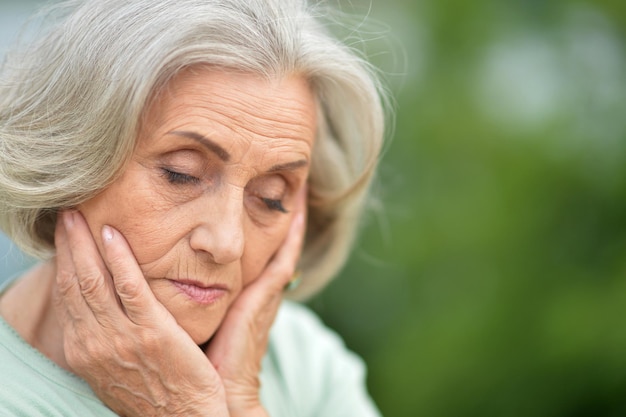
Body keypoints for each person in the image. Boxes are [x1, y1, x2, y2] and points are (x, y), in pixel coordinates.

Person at [0, 0, 388, 415]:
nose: (227, 243)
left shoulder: (303, 361)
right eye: (181, 174)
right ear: (68, 157)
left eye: (271, 197)